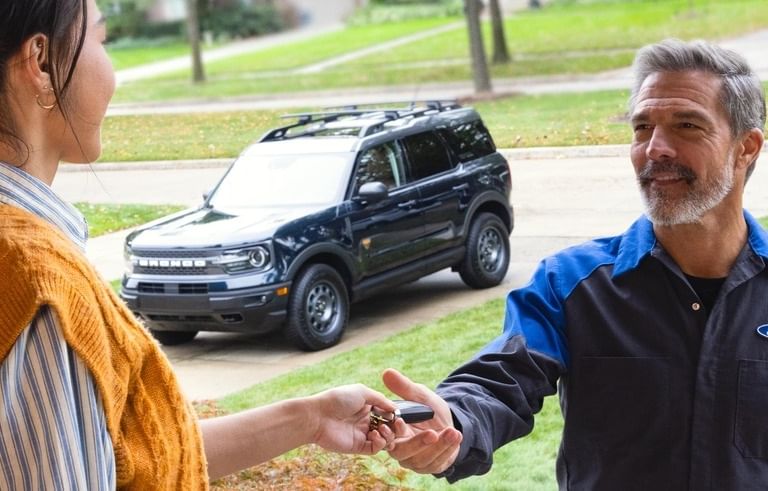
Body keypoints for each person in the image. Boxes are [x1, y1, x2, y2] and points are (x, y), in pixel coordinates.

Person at [0, 0, 396, 488]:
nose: (112, 71)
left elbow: (129, 455)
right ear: (41, 61)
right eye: (102, 41)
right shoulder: (33, 275)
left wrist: (310, 418)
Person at [380, 38, 767, 489]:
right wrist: (453, 423)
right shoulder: (570, 284)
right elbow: (501, 378)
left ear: (746, 148)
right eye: (642, 128)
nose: (656, 148)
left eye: (687, 125)